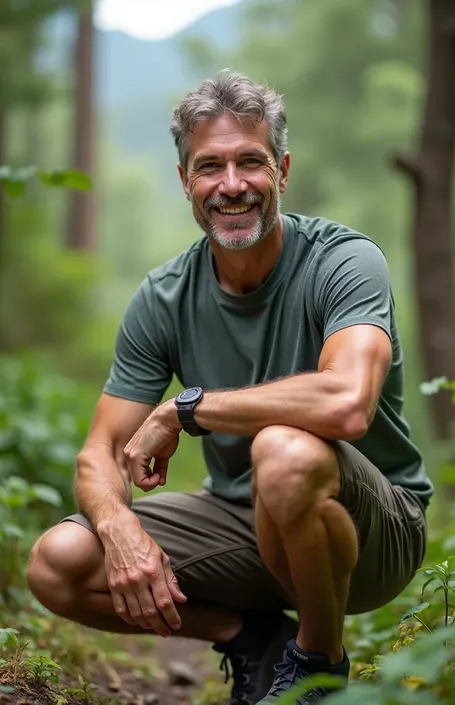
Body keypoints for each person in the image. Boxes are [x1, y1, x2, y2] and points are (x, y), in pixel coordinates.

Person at [27, 70, 433, 704]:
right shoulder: (164, 296)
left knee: (284, 450)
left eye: (252, 161)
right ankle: (251, 638)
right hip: (243, 526)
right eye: (210, 166)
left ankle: (318, 668)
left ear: (284, 170)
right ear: (186, 180)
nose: (233, 184)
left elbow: (347, 403)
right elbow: (99, 453)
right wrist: (117, 527)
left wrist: (188, 410)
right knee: (58, 561)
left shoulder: (345, 262)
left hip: (375, 530)